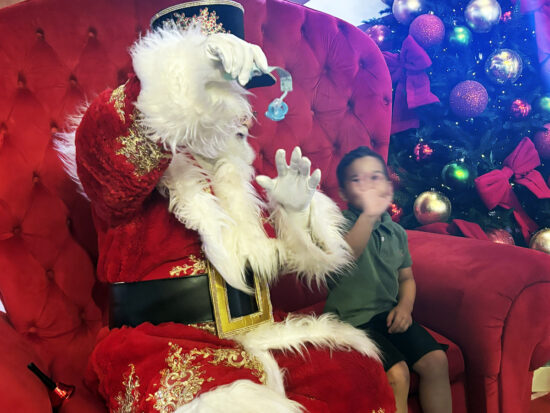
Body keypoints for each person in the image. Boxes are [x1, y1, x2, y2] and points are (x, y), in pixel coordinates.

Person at [58, 2, 396, 412]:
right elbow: (110, 156)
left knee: (358, 375)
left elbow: (275, 261)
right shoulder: (122, 143)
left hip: (254, 333)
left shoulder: (231, 169)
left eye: (234, 85)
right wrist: (183, 70)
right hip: (158, 342)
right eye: (218, 82)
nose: (235, 104)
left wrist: (294, 214)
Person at [324, 146, 452, 413]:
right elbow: (345, 258)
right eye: (357, 180)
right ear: (344, 193)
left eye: (375, 177)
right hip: (349, 322)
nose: (368, 185)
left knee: (436, 361)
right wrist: (368, 216)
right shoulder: (338, 224)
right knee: (398, 374)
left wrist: (405, 307)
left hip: (387, 315)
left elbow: (406, 278)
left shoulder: (396, 232)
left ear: (387, 187)